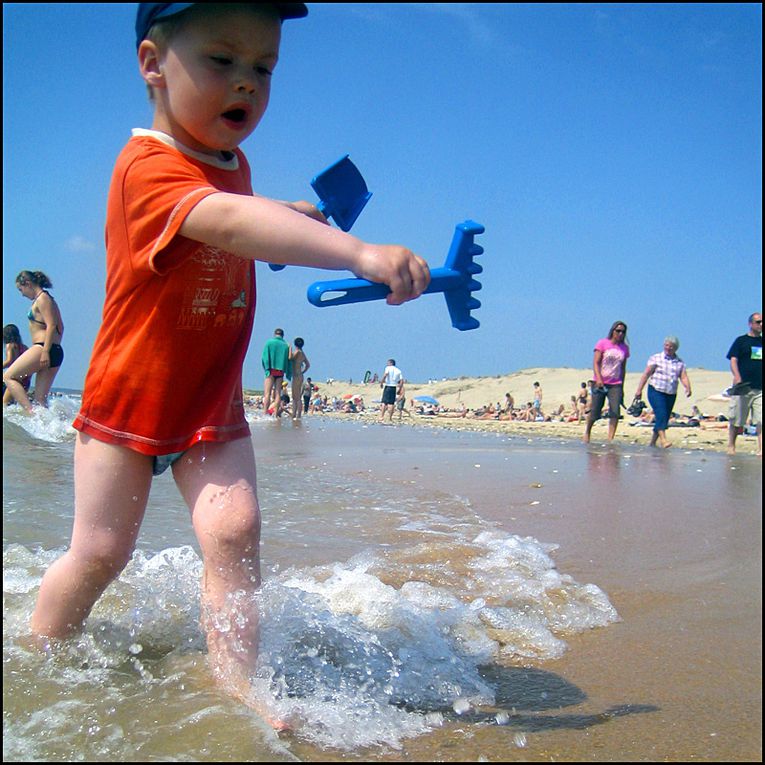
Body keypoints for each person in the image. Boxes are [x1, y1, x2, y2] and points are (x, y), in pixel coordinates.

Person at [29, 2, 430, 722]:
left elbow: (247, 220)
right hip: (130, 397)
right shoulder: (143, 166)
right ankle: (38, 657)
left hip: (210, 397)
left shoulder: (231, 166)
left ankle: (236, 682)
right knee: (99, 552)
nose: (246, 82)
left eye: (264, 67)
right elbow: (226, 220)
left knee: (235, 530)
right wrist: (358, 252)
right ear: (153, 64)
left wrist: (299, 221)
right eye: (222, 60)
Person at [3, 271, 65, 412]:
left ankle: (30, 413)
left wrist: (44, 351)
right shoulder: (49, 299)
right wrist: (54, 346)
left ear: (28, 284)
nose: (22, 294)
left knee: (9, 377)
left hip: (43, 348)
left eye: (21, 289)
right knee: (40, 400)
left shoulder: (42, 299)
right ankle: (46, 427)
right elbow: (61, 327)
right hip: (54, 350)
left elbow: (52, 325)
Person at [633, 336, 692, 449]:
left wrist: (688, 388)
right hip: (656, 390)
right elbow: (646, 374)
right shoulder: (656, 358)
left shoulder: (679, 362)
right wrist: (639, 390)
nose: (668, 348)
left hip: (670, 393)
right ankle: (663, 440)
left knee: (664, 417)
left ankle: (652, 443)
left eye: (671, 346)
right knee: (661, 413)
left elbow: (683, 376)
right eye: (667, 345)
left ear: (676, 348)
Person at [583, 321, 630, 443]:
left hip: (616, 383)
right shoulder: (603, 343)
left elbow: (623, 368)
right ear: (613, 331)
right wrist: (598, 378)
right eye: (618, 330)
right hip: (600, 382)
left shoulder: (624, 348)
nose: (620, 333)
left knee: (615, 411)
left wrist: (622, 386)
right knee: (595, 412)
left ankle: (610, 438)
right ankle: (587, 432)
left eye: (623, 331)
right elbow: (596, 362)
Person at [725, 312, 762, 456]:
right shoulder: (741, 341)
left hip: (760, 388)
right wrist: (737, 376)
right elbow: (733, 360)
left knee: (761, 420)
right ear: (750, 324)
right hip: (743, 387)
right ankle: (731, 446)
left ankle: (761, 449)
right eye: (758, 322)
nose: (761, 325)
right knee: (737, 420)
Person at [261, 328, 291, 417]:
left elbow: (265, 357)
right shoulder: (286, 345)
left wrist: (266, 369)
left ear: (274, 334)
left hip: (270, 370)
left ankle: (265, 413)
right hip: (280, 371)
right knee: (278, 394)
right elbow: (288, 360)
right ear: (283, 335)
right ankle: (275, 414)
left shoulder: (269, 343)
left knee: (267, 394)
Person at [3, 323, 31, 405]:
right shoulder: (25, 347)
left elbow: (9, 361)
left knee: (4, 405)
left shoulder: (10, 346)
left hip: (15, 379)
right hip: (25, 380)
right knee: (13, 404)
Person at [289, 337, 310, 419]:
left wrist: (289, 348)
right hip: (299, 375)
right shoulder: (302, 353)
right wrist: (303, 372)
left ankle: (297, 415)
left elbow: (290, 357)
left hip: (297, 375)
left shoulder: (298, 352)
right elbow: (308, 365)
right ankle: (295, 414)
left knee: (296, 397)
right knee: (295, 397)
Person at [379, 358, 403, 423]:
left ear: (391, 363)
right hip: (394, 387)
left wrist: (381, 382)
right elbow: (401, 381)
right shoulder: (398, 370)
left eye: (388, 363)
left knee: (384, 402)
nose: (387, 364)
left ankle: (381, 416)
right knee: (391, 403)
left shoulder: (388, 368)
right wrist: (400, 389)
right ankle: (390, 418)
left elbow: (385, 374)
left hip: (388, 385)